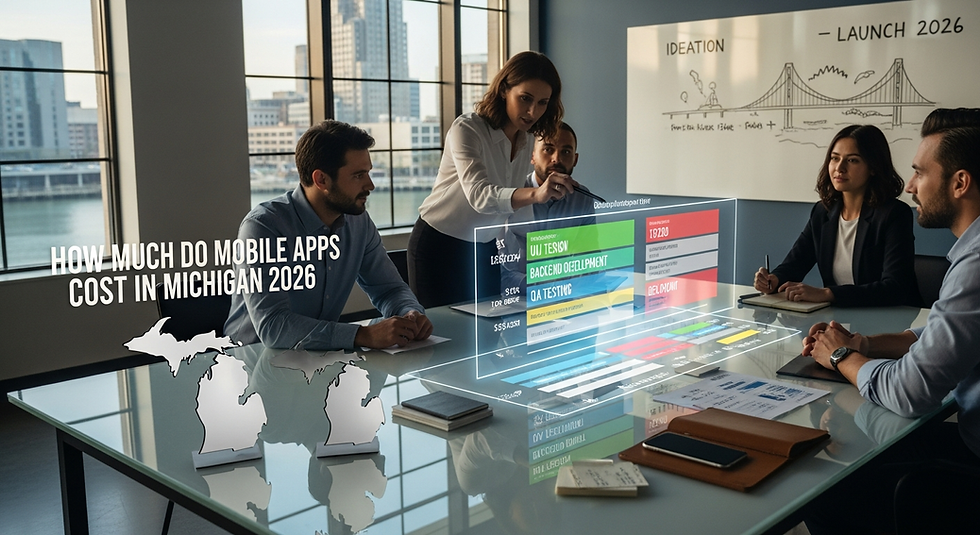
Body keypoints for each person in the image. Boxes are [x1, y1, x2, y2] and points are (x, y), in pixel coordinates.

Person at [801, 108, 980, 533]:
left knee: (825, 487)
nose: (912, 185)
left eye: (920, 172)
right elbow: (944, 332)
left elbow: (911, 392)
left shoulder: (975, 263)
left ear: (960, 183)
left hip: (972, 464)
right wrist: (867, 344)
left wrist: (841, 355)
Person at [224, 120, 432, 350]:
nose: (370, 185)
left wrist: (410, 313)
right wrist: (363, 335)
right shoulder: (263, 228)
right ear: (321, 179)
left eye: (368, 173)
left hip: (318, 362)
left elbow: (389, 289)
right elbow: (274, 326)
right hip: (250, 363)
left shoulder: (359, 222)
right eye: (358, 175)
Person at [408, 51, 578, 308]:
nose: (533, 111)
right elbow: (481, 196)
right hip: (439, 244)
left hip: (484, 247)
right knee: (440, 335)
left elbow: (513, 217)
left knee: (485, 336)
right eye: (525, 98)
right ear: (503, 90)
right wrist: (536, 193)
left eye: (543, 102)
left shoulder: (525, 140)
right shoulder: (467, 129)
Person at [754, 124, 919, 307]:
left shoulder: (894, 214)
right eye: (835, 158)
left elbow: (894, 288)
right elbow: (795, 263)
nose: (839, 168)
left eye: (852, 160)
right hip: (839, 319)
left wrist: (827, 293)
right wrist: (773, 280)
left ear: (873, 167)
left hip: (892, 321)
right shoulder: (822, 212)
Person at [500, 122, 596, 293]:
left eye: (566, 152)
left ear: (575, 159)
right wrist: (543, 288)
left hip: (567, 299)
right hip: (518, 301)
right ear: (532, 156)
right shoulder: (511, 194)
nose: (556, 159)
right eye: (548, 149)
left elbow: (589, 258)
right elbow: (500, 272)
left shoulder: (582, 198)